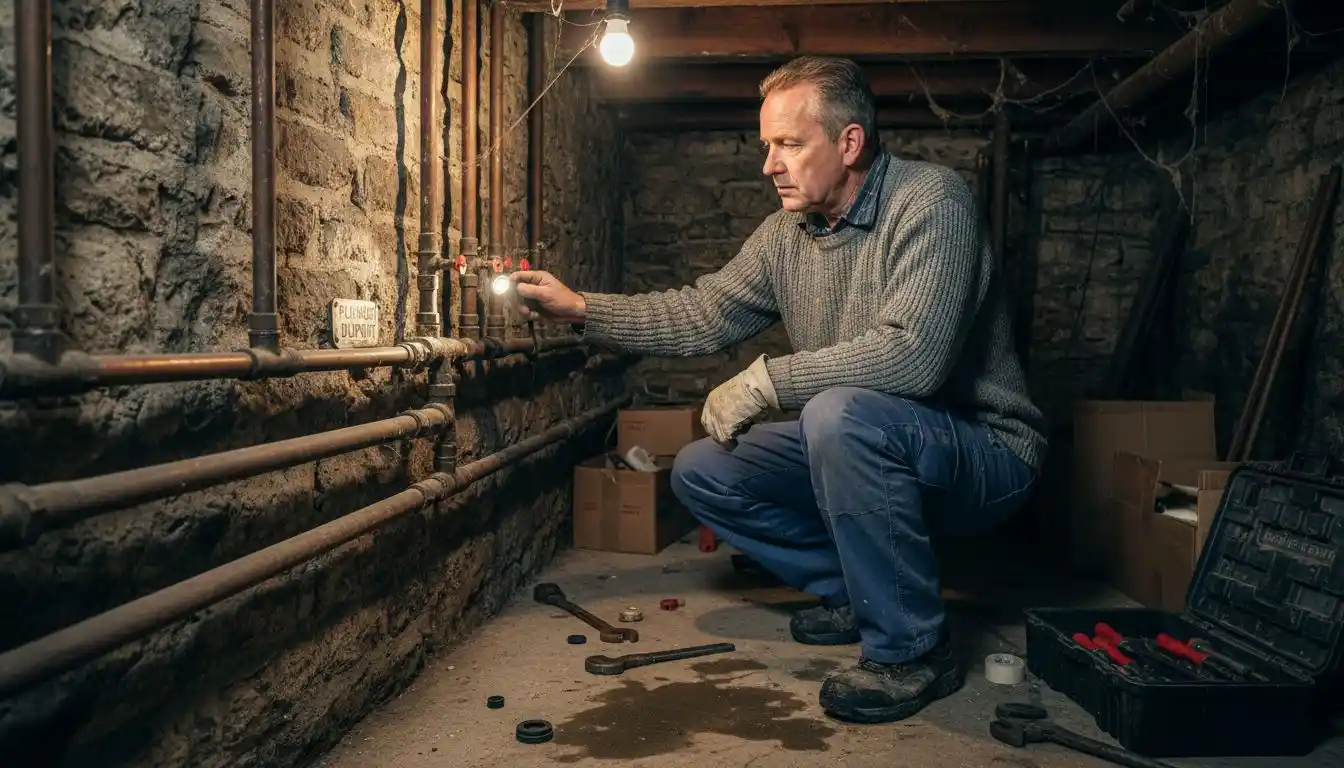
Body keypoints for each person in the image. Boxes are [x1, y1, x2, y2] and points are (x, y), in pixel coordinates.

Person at [510, 55, 1046, 724]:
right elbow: (703, 312)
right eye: (767, 145)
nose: (769, 164)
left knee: (838, 414)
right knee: (703, 470)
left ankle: (912, 649)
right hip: (865, 441)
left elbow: (915, 360)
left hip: (984, 454)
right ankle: (859, 592)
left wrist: (768, 381)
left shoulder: (932, 203)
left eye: (788, 143)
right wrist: (582, 309)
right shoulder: (786, 236)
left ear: (849, 143)